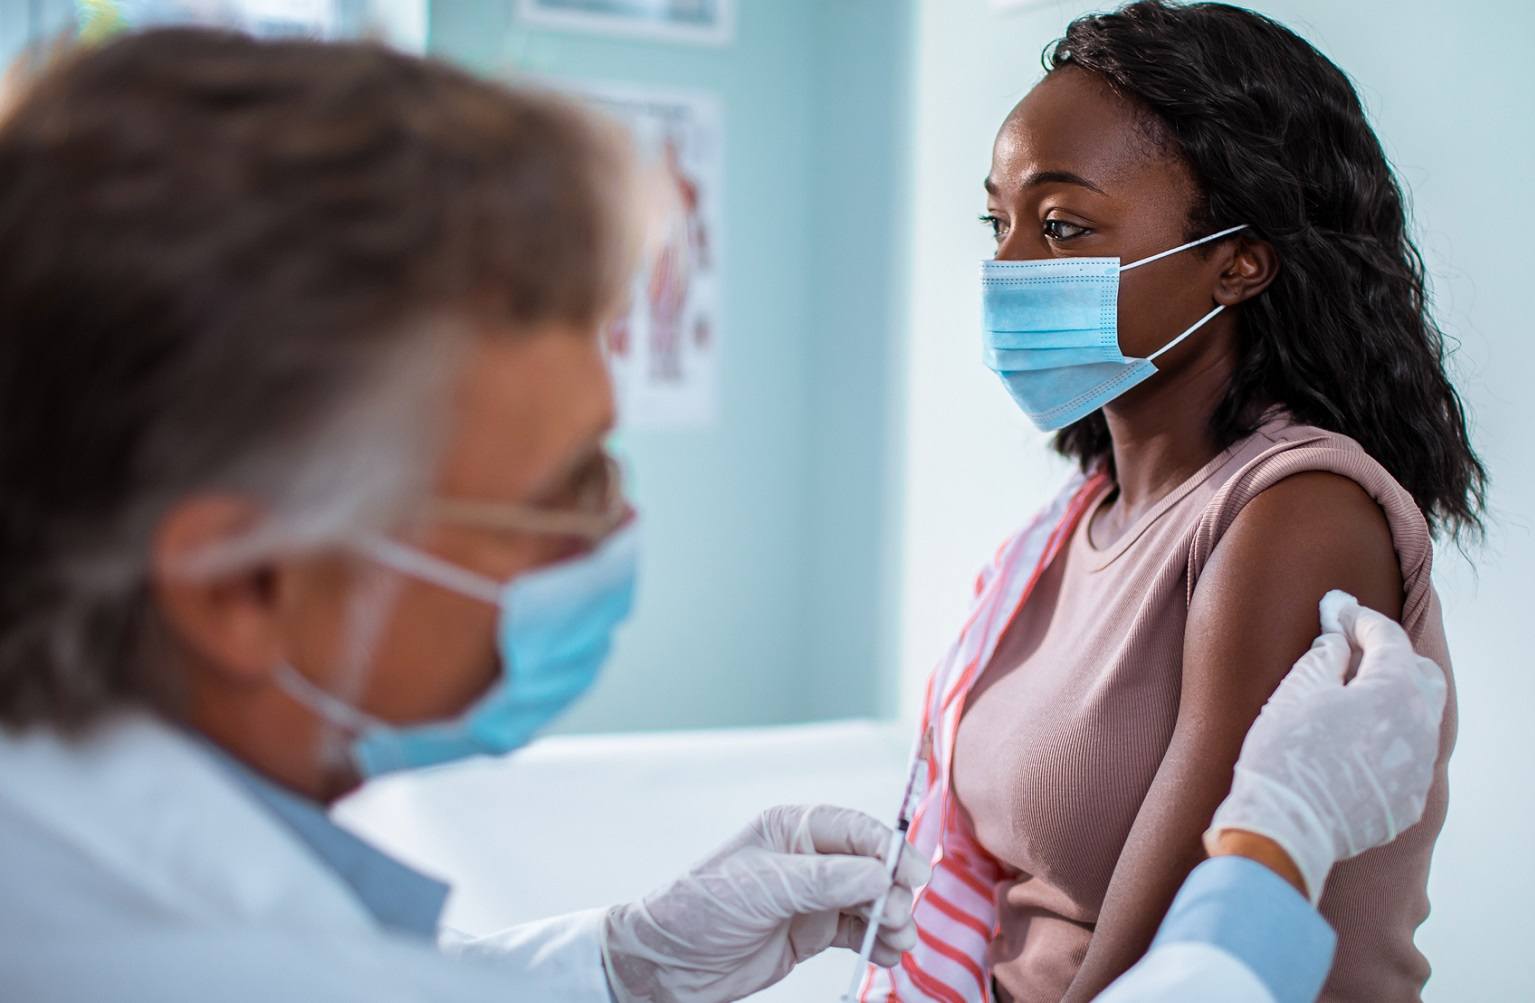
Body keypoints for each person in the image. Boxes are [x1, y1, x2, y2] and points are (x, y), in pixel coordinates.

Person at [0, 26, 1448, 1003]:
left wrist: (623, 960)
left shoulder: (1287, 504)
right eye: (556, 487)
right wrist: (1271, 852)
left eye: (1063, 225)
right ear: (239, 584)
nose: (614, 531)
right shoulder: (159, 951)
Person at [873, 3, 1487, 1002]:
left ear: (1238, 261)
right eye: (1000, 221)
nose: (1007, 266)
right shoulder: (1070, 527)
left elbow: (1167, 962)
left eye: (1062, 225)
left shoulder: (1296, 516)